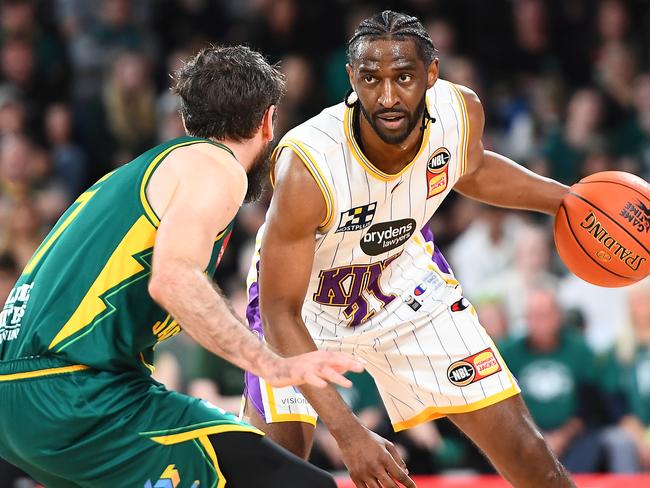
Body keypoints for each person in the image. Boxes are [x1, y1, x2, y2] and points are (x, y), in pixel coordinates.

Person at [0, 45, 363, 488]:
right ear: (268, 121)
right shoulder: (214, 165)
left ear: (189, 120)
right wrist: (270, 363)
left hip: (23, 400)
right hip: (75, 393)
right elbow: (173, 280)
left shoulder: (134, 175)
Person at [243, 11, 576, 488]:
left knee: (533, 458)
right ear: (352, 79)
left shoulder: (460, 111)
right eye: (371, 79)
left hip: (402, 285)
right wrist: (349, 434)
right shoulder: (308, 164)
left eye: (404, 77)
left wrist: (566, 199)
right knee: (277, 472)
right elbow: (279, 311)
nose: (388, 96)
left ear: (431, 74)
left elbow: (472, 168)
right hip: (305, 308)